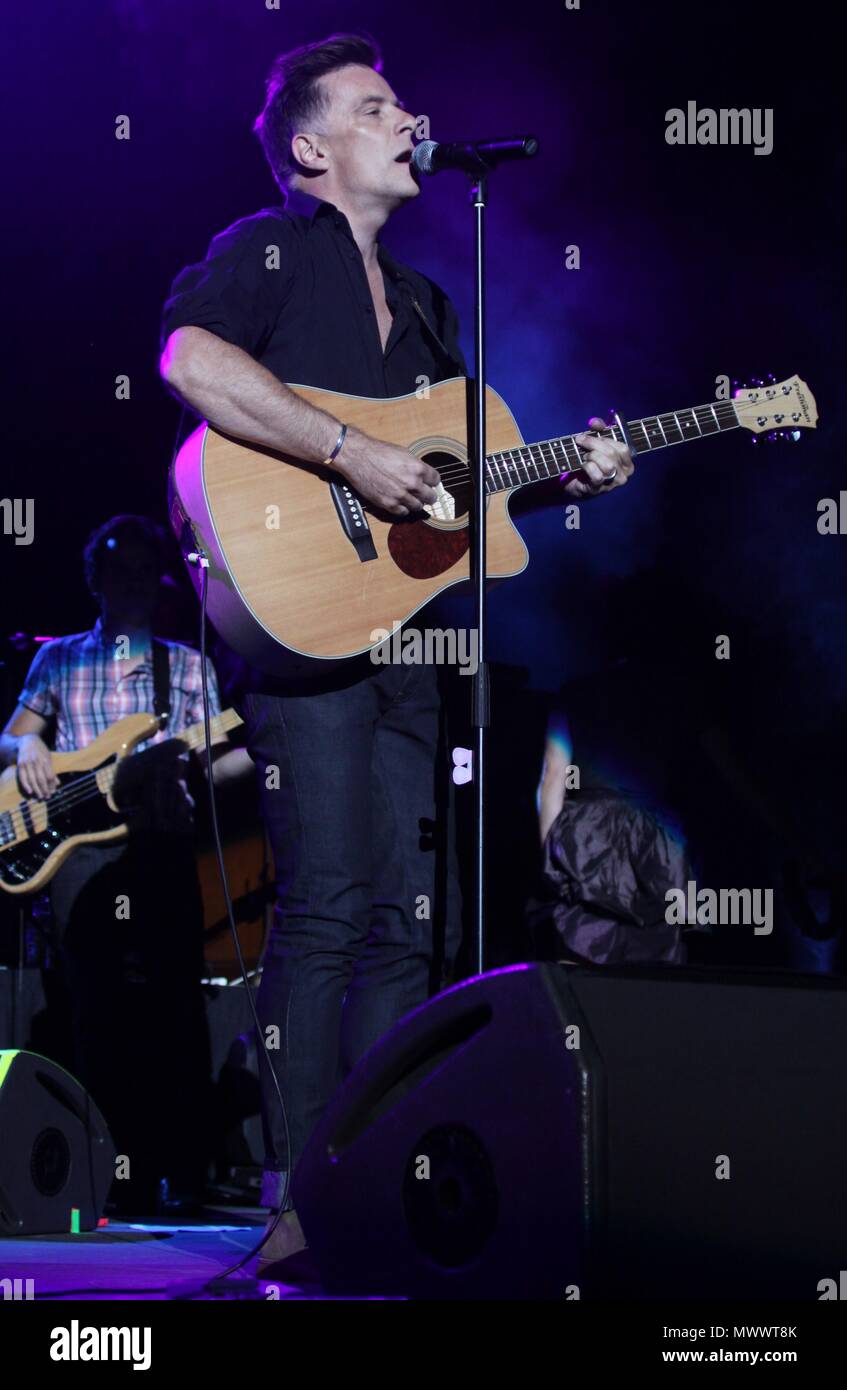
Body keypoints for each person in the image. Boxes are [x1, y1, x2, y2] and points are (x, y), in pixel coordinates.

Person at [158, 32, 634, 1275]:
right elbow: (190, 361)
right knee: (321, 912)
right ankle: (292, 1195)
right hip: (302, 622)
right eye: (377, 106)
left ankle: (373, 1176)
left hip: (409, 640)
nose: (408, 115)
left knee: (405, 927)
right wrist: (349, 455)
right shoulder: (268, 250)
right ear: (312, 149)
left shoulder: (425, 299)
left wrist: (566, 473)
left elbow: (455, 495)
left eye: (403, 101)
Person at [0, 514, 246, 1215]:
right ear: (95, 580)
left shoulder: (188, 666)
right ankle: (97, 1170)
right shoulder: (59, 660)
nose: (131, 582)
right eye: (117, 570)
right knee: (94, 1012)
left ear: (159, 580)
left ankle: (180, 1172)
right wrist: (27, 752)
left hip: (160, 843)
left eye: (144, 570)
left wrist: (196, 771)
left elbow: (228, 756)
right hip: (78, 855)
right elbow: (10, 738)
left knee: (174, 1005)